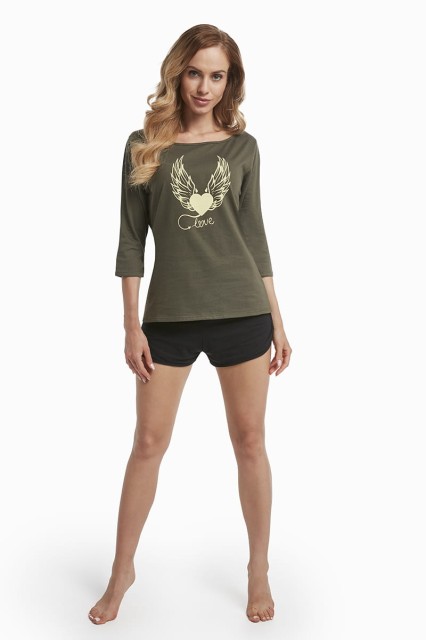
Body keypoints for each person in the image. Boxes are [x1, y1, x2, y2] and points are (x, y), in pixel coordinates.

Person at [88, 23, 292, 626]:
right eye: (196, 73)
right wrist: (131, 326)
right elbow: (130, 242)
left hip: (242, 312)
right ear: (178, 74)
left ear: (231, 82)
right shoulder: (144, 145)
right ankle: (121, 570)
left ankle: (258, 568)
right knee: (147, 445)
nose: (205, 86)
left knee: (250, 442)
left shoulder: (243, 148)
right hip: (169, 320)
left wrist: (278, 319)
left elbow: (254, 237)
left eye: (217, 75)